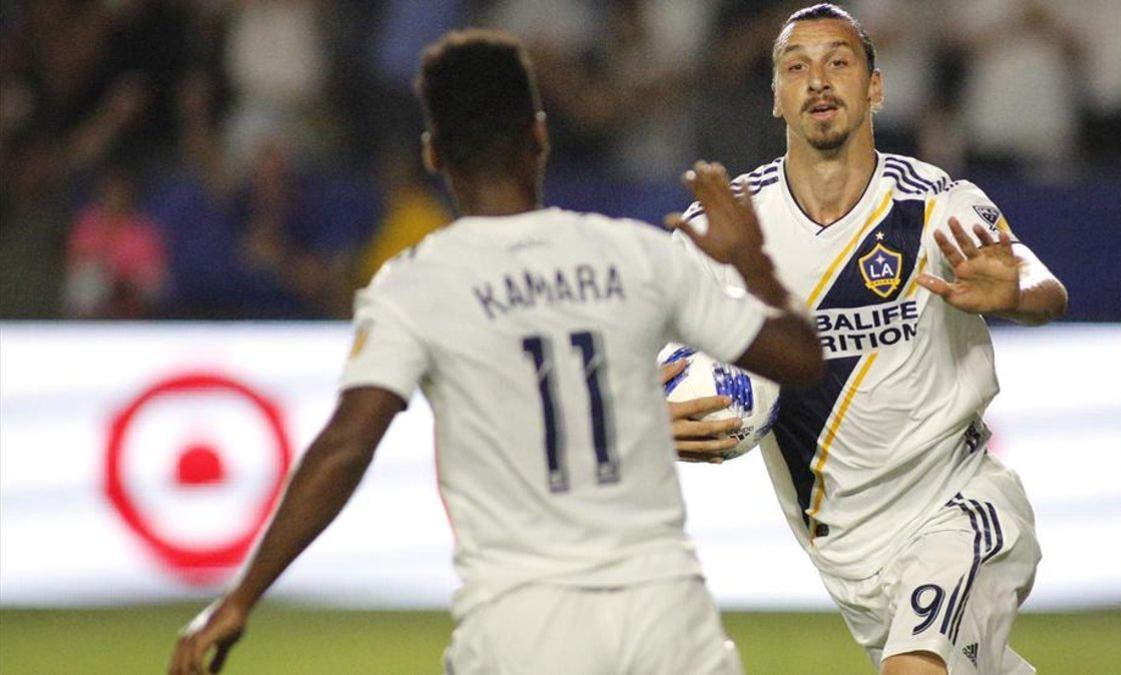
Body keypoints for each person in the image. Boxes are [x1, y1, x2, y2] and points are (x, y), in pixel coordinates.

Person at [169, 29, 826, 675]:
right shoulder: (635, 254)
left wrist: (239, 597)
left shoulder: (416, 284)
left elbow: (347, 444)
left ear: (433, 155)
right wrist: (754, 263)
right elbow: (799, 360)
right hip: (666, 616)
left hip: (523, 621)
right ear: (539, 135)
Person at [667, 5, 1068, 675]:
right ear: (776, 96)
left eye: (839, 62)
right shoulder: (730, 226)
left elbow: (1033, 275)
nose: (818, 80)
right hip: (850, 554)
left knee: (914, 667)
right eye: (797, 67)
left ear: (875, 88)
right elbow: (621, 337)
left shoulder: (931, 203)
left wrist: (1018, 292)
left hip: (960, 504)